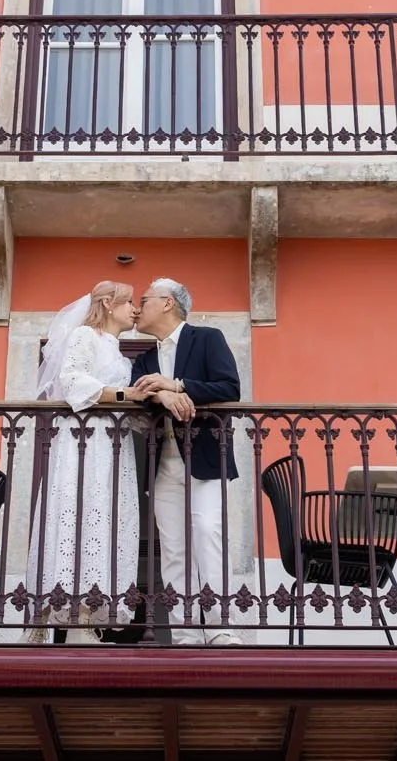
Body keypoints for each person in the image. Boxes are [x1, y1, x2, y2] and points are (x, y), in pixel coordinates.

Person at [22, 280, 143, 643]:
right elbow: (73, 382)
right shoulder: (83, 337)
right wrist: (126, 394)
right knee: (74, 517)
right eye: (129, 302)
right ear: (108, 303)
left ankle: (89, 617)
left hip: (113, 447)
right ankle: (55, 618)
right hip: (82, 442)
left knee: (104, 523)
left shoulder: (120, 354)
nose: (135, 309)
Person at [129, 277, 242, 646]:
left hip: (206, 457)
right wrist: (160, 395)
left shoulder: (207, 338)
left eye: (144, 300)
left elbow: (230, 388)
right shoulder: (143, 358)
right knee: (174, 547)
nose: (137, 307)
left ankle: (221, 626)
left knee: (208, 533)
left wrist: (176, 385)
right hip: (164, 464)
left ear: (166, 303)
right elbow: (137, 396)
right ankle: (185, 632)